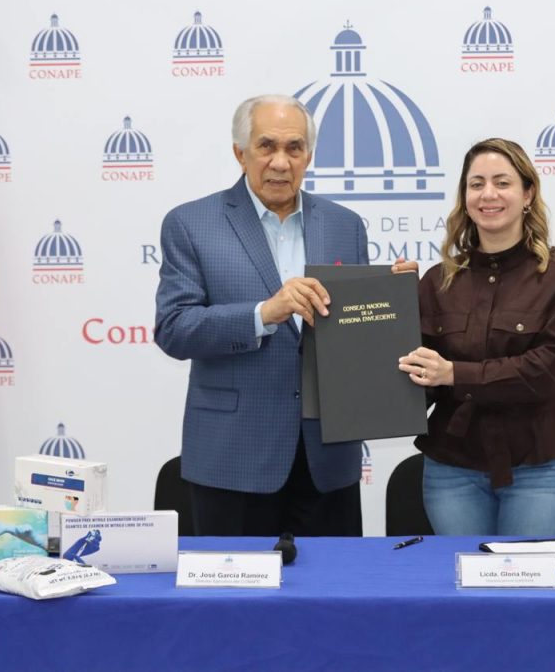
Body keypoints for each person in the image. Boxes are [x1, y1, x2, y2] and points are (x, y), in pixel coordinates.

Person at [155, 94, 415, 537]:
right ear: (240, 153)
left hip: (327, 460)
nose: (280, 161)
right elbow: (174, 329)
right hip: (233, 460)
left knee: (331, 601)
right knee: (236, 604)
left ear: (309, 156)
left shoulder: (344, 225)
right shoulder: (191, 223)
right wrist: (263, 313)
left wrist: (390, 299)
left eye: (294, 148)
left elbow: (352, 336)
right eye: (266, 146)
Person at [398, 138, 555, 536]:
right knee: (462, 591)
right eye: (476, 184)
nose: (488, 194)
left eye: (502, 183)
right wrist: (391, 308)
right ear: (464, 196)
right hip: (453, 470)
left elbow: (545, 373)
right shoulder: (436, 282)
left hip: (541, 465)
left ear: (528, 193)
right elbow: (417, 379)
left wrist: (455, 373)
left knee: (533, 592)